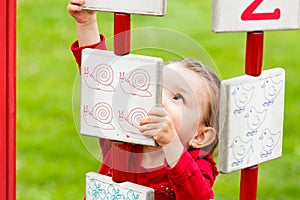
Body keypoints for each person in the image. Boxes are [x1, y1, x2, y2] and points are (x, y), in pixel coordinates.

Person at [68, 0, 220, 199]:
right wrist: (86, 24)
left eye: (178, 98)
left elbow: (199, 196)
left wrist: (171, 142)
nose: (160, 98)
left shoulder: (198, 165)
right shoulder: (121, 133)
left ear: (200, 136)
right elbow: (100, 81)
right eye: (158, 86)